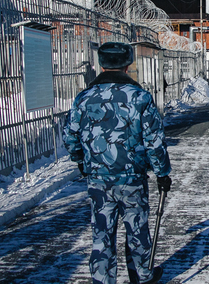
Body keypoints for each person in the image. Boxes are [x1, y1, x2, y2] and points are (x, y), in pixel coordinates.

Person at [63, 42, 171, 284]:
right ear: (127, 64)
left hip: (98, 178)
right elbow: (154, 140)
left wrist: (81, 160)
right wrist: (162, 172)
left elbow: (70, 136)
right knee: (137, 230)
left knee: (102, 233)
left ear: (101, 65)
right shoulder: (140, 97)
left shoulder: (84, 98)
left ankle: (102, 279)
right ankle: (142, 275)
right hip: (132, 177)